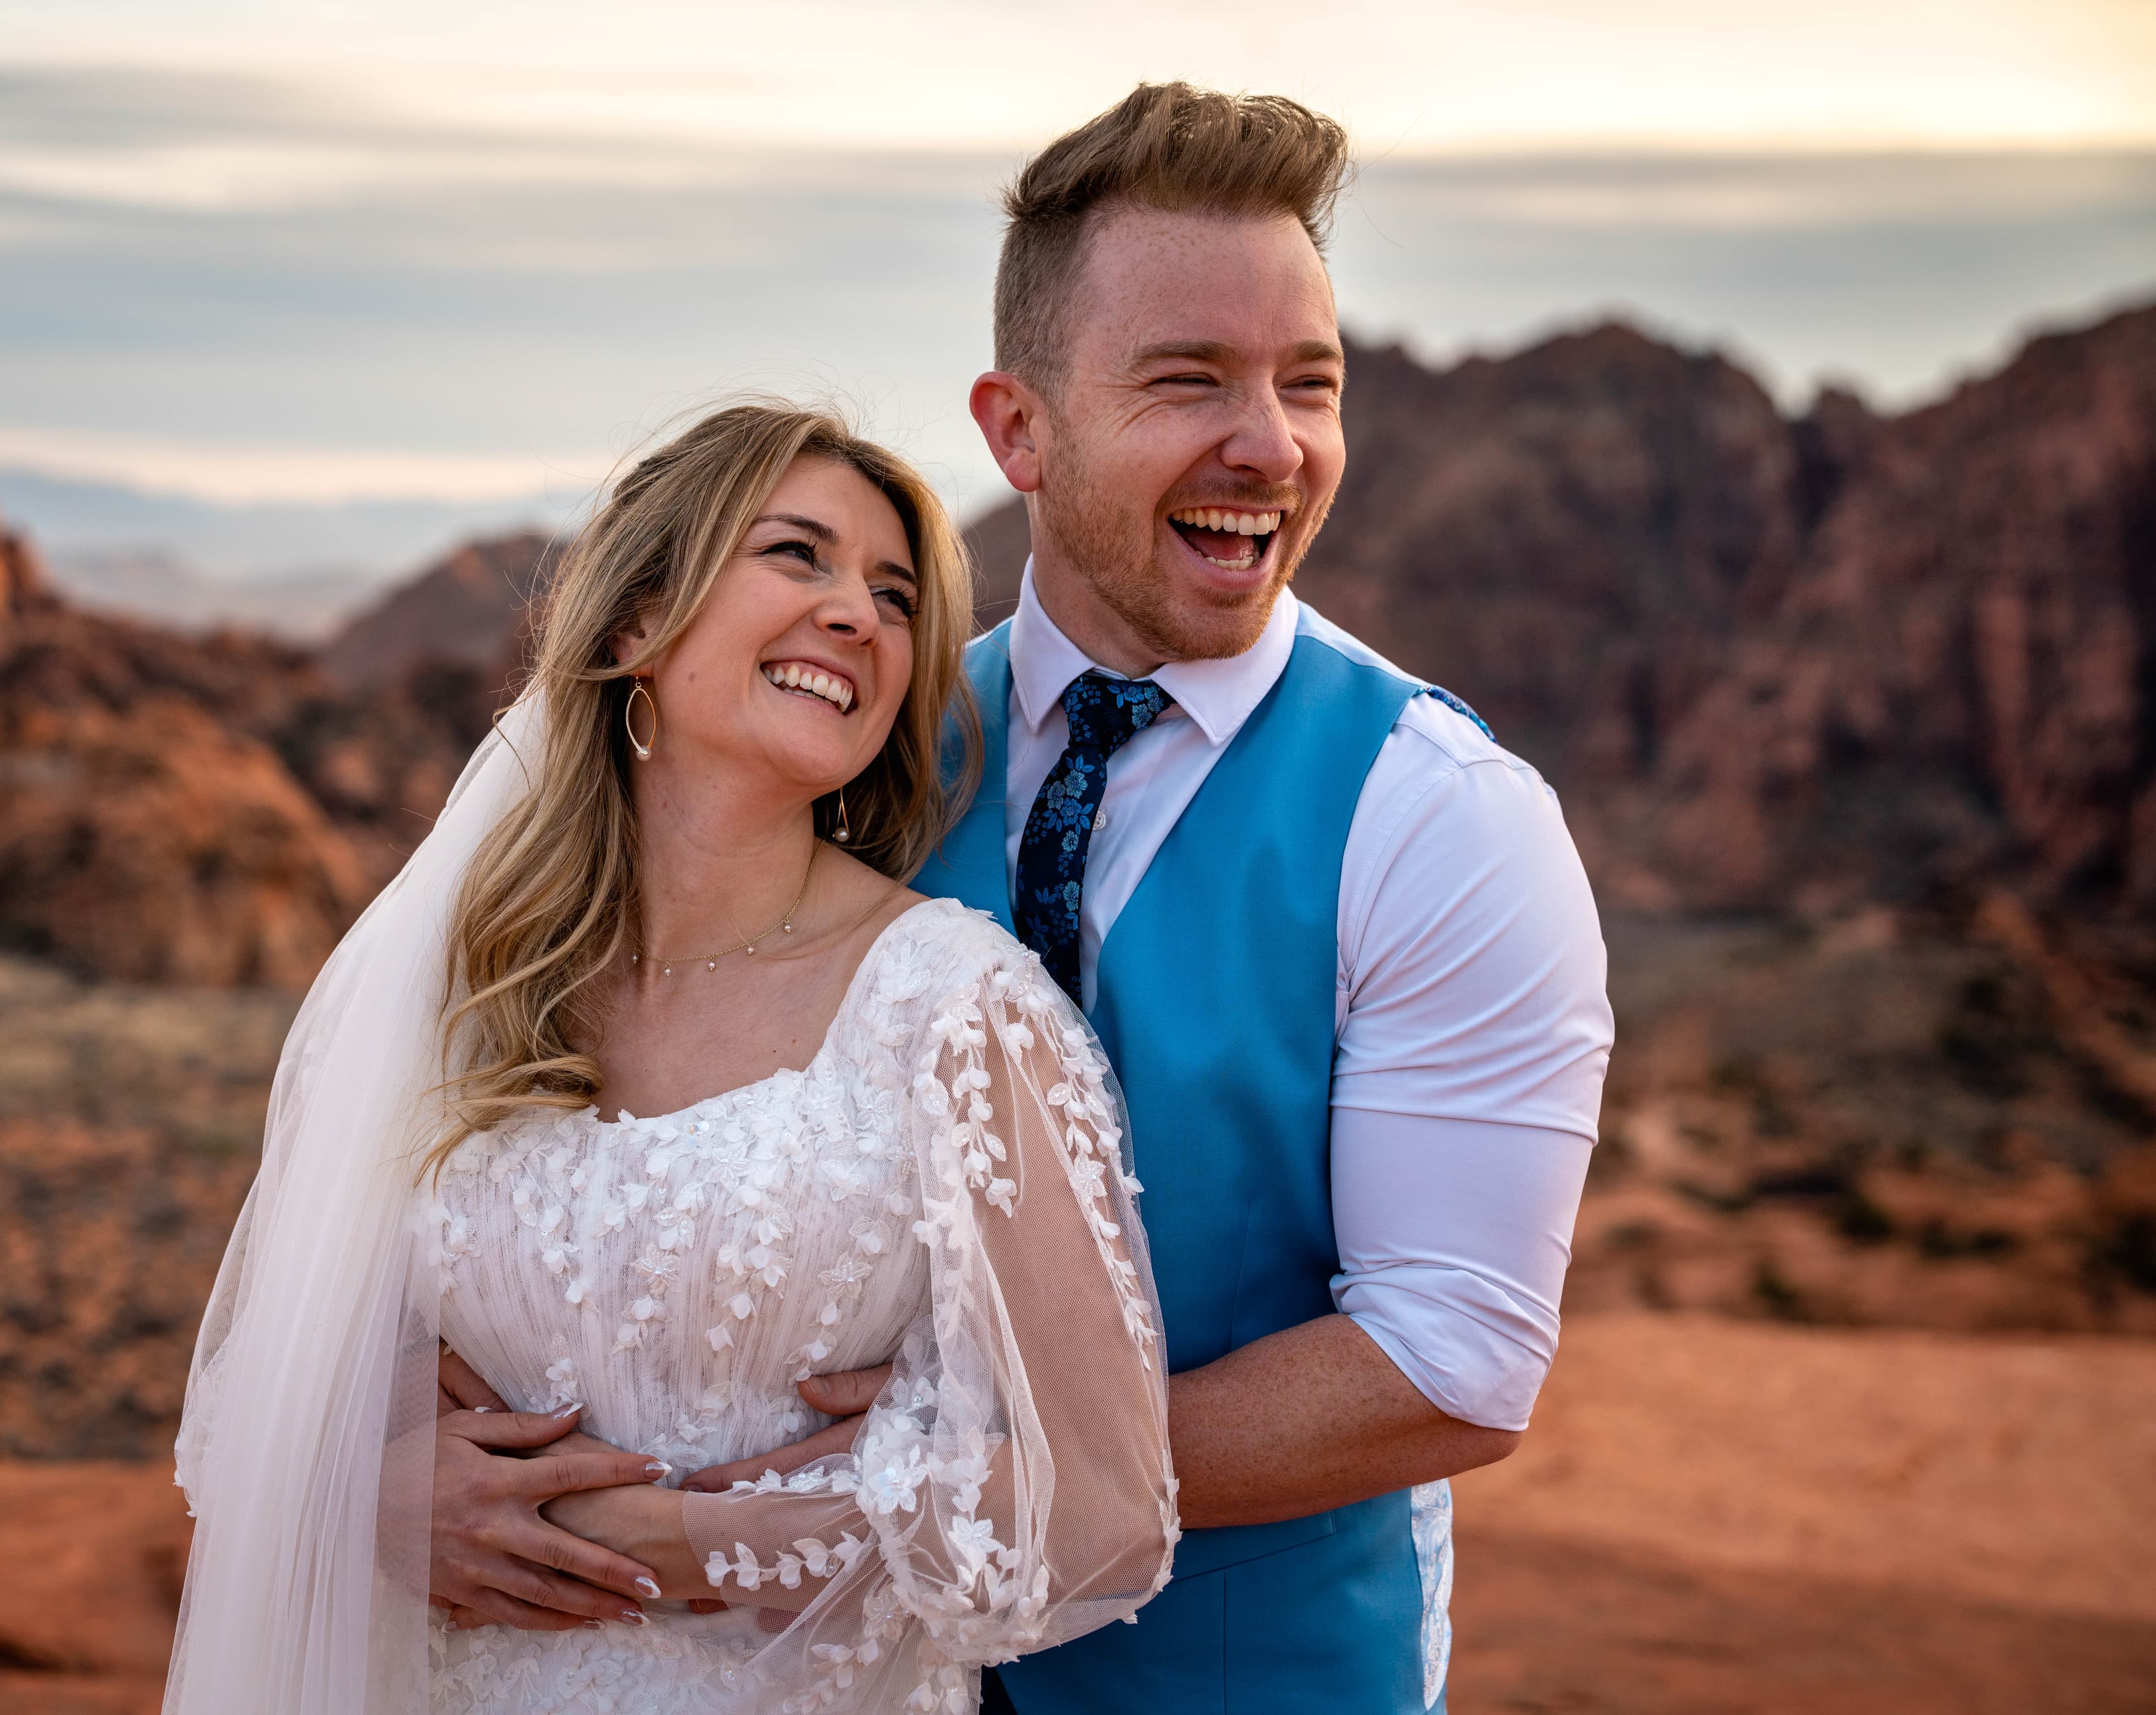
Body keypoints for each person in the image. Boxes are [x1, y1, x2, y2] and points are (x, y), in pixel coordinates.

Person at [678, 84, 1616, 1713]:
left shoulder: (1443, 820)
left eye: (1308, 385)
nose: (1272, 444)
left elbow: (1451, 1365)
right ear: (1017, 429)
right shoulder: (863, 757)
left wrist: (931, 1493)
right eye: (1191, 381)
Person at [163, 402, 1179, 1714]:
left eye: (893, 594)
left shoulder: (957, 1011)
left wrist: (678, 1548)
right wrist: (373, 1490)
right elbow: (270, 1372)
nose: (859, 615)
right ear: (637, 625)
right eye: (797, 556)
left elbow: (1100, 1508)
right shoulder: (459, 986)